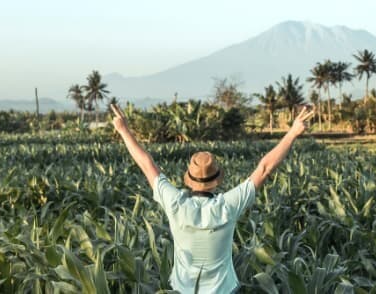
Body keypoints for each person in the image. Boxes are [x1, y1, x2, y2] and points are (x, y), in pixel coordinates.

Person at [109, 104, 314, 293]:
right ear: (216, 181)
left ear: (189, 180)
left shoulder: (174, 202)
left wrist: (123, 129)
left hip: (182, 290)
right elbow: (264, 168)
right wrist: (293, 132)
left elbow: (146, 164)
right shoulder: (228, 205)